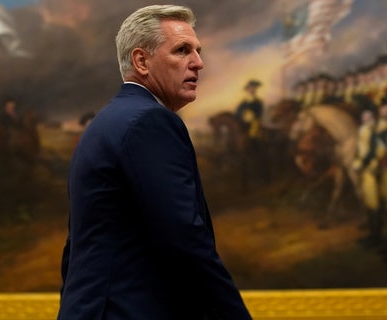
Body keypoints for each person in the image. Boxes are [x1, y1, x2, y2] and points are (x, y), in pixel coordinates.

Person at [57, 5, 252, 320]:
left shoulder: (107, 122)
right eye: (182, 50)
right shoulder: (148, 122)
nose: (199, 63)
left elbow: (77, 248)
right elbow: (185, 238)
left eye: (198, 51)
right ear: (141, 61)